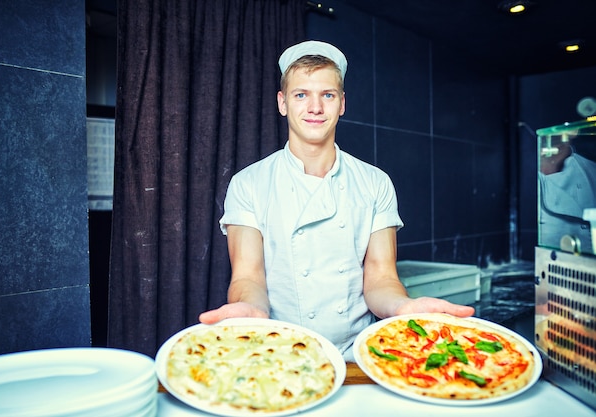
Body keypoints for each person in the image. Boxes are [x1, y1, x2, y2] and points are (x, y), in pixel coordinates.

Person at [199, 40, 474, 361]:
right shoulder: (248, 183)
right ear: (282, 102)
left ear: (342, 103)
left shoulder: (375, 182)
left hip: (358, 354)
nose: (315, 107)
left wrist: (404, 307)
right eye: (301, 94)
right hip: (279, 350)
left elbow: (381, 277)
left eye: (327, 95)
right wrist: (249, 310)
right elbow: (248, 276)